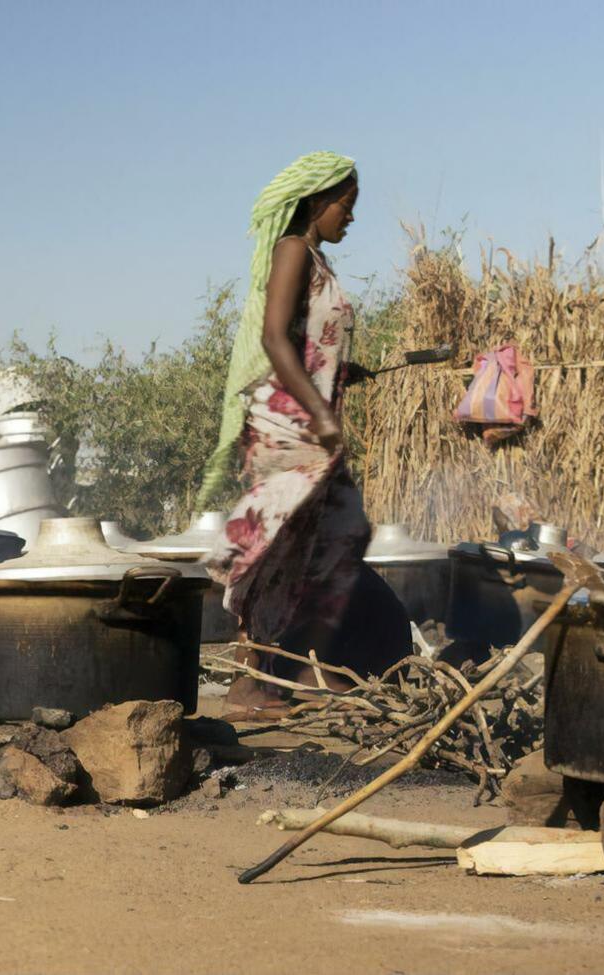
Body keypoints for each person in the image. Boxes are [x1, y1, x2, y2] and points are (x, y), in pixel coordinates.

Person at [197, 151, 411, 717]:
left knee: (336, 538)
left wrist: (341, 371)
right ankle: (249, 680)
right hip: (287, 422)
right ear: (317, 201)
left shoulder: (318, 261)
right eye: (346, 205)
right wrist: (319, 412)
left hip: (309, 416)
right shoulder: (292, 249)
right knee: (277, 541)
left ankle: (300, 667)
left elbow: (306, 340)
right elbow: (274, 339)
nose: (351, 217)